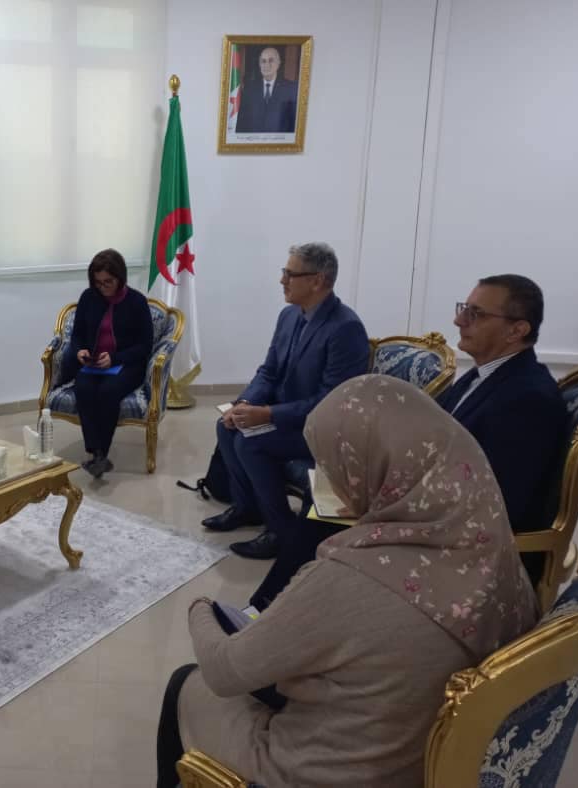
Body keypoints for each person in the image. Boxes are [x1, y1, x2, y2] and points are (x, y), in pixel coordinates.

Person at [156, 374, 539, 788]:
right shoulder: (493, 550)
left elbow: (225, 670)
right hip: (423, 759)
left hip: (324, 771)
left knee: (186, 683)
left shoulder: (353, 577)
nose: (329, 481)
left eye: (333, 466)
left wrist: (199, 608)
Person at [205, 243, 369, 560]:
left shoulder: (345, 328)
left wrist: (268, 414)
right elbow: (269, 371)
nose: (282, 280)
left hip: (320, 431)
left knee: (250, 444)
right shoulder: (289, 315)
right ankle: (247, 508)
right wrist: (244, 403)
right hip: (285, 418)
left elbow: (329, 402)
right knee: (226, 427)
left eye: (290, 274)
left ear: (317, 280)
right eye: (284, 272)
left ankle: (281, 532)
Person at [440, 274, 568, 580]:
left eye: (476, 313)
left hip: (480, 562)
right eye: (464, 308)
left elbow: (498, 505)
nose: (459, 320)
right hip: (445, 526)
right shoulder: (481, 376)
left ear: (517, 330)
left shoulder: (529, 398)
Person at [61, 249, 154, 479]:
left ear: (120, 278)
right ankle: (96, 452)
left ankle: (101, 453)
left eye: (108, 282)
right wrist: (80, 350)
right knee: (83, 387)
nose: (103, 287)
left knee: (108, 391)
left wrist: (115, 358)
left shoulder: (137, 302)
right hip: (94, 363)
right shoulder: (88, 297)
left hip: (127, 364)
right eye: (98, 282)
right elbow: (77, 335)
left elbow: (145, 346)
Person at [233, 47, 299, 134]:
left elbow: (293, 124)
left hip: (279, 141)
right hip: (253, 141)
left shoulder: (291, 89)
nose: (266, 65)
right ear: (259, 64)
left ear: (278, 63)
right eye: (263, 61)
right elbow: (242, 123)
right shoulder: (249, 89)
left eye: (271, 60)